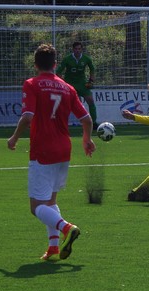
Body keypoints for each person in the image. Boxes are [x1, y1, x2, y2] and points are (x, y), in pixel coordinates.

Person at [8, 43, 96, 261]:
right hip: (64, 150)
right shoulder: (68, 88)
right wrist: (87, 139)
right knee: (50, 202)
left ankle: (67, 228)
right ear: (55, 64)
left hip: (43, 150)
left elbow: (27, 116)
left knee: (36, 207)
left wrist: (14, 137)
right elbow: (86, 119)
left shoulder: (32, 84)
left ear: (36, 65)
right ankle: (54, 247)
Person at [56, 41, 98, 127]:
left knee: (90, 100)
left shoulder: (86, 59)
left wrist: (91, 81)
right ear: (73, 49)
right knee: (65, 104)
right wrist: (63, 83)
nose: (77, 51)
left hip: (82, 84)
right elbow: (58, 72)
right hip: (70, 85)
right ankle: (60, 123)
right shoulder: (67, 59)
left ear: (82, 49)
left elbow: (92, 69)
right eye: (76, 49)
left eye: (79, 49)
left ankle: (93, 123)